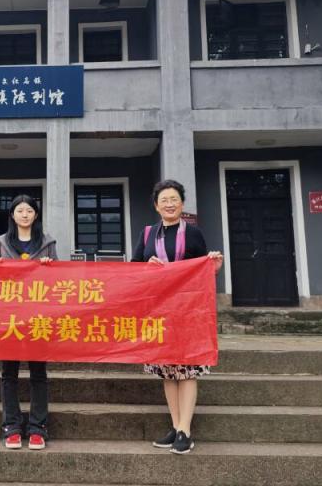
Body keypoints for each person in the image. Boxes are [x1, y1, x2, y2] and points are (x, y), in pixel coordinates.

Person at [130, 179, 223, 455]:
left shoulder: (193, 234)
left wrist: (214, 266)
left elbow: (203, 269)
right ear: (156, 206)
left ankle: (186, 430)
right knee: (167, 371)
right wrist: (147, 266)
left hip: (188, 311)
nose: (169, 204)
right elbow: (134, 268)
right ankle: (175, 425)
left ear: (182, 204)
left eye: (174, 199)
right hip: (158, 311)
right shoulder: (147, 234)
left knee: (187, 369)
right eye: (164, 200)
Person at [0, 194, 57, 451]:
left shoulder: (47, 243)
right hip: (9, 318)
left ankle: (38, 428)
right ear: (12, 215)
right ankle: (12, 426)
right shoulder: (1, 243)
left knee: (38, 373)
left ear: (36, 215)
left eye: (29, 210)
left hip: (38, 318)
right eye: (20, 210)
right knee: (9, 374)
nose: (25, 214)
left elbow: (59, 284)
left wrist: (50, 267)